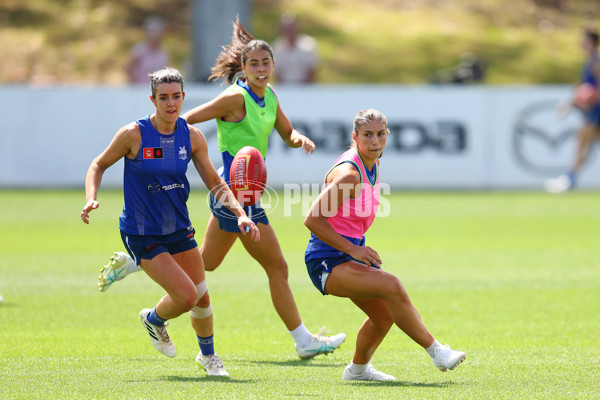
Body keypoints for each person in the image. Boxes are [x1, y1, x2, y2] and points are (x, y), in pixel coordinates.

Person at [97, 18, 346, 360]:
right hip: (234, 194)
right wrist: (160, 138)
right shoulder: (234, 97)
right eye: (254, 63)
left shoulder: (270, 95)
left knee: (206, 264)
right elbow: (185, 120)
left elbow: (286, 133)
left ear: (273, 65)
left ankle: (136, 262)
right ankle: (303, 340)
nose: (261, 69)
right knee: (277, 267)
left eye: (265, 62)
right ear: (243, 68)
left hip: (247, 193)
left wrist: (298, 139)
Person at [81, 67, 260, 376]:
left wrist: (241, 213)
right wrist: (91, 196)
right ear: (153, 99)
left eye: (176, 96)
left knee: (202, 296)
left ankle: (208, 357)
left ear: (183, 97)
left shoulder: (191, 136)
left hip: (178, 226)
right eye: (163, 98)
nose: (171, 103)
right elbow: (98, 164)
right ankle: (152, 319)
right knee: (187, 296)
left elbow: (215, 181)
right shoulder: (133, 134)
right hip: (141, 231)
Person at [304, 108, 466, 380]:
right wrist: (354, 249)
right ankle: (437, 351)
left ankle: (358, 370)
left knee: (384, 316)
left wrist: (355, 249)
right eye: (367, 135)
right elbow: (313, 220)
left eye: (381, 134)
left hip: (347, 254)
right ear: (355, 137)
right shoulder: (349, 175)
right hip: (326, 261)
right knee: (391, 285)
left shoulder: (374, 161)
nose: (375, 141)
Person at [545, 28, 600, 193]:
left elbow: (595, 88)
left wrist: (590, 98)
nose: (580, 42)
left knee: (582, 142)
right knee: (583, 142)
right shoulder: (588, 60)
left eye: (583, 39)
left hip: (596, 110)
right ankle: (570, 179)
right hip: (592, 109)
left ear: (590, 41)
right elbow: (582, 88)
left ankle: (570, 179)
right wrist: (570, 103)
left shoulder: (596, 62)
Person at [272, 14, 318, 84]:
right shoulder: (277, 46)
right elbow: (277, 72)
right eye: (286, 29)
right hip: (284, 87)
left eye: (291, 28)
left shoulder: (309, 44)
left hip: (305, 87)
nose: (289, 31)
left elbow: (312, 71)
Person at [126, 16, 170, 84]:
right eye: (151, 31)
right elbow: (128, 68)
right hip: (140, 88)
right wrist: (135, 82)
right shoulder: (139, 50)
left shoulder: (163, 52)